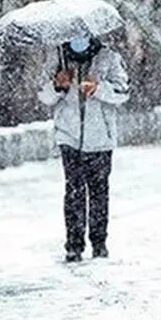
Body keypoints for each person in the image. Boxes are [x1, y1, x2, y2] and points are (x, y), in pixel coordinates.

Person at [37, 35, 129, 263]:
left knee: (99, 192)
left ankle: (99, 243)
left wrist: (98, 88)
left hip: (100, 139)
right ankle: (74, 245)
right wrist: (58, 85)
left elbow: (123, 92)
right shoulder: (57, 58)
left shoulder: (108, 58)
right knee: (74, 191)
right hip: (69, 137)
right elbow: (43, 95)